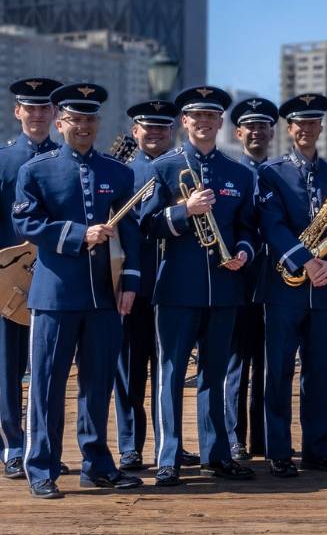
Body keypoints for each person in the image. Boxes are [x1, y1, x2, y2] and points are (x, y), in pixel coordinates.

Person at [14, 82, 142, 498]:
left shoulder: (118, 172)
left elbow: (132, 232)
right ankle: (41, 468)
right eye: (75, 119)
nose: (83, 126)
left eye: (90, 119)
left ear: (98, 123)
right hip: (54, 297)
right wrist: (76, 234)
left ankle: (97, 465)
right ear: (59, 120)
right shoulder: (36, 170)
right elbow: (26, 223)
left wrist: (131, 283)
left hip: (104, 296)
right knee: (47, 386)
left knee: (97, 383)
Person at [139, 85, 257, 487]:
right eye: (196, 116)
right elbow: (147, 225)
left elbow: (247, 227)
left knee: (216, 374)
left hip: (224, 288)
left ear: (220, 122)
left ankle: (216, 454)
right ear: (184, 122)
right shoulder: (162, 168)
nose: (204, 123)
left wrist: (243, 251)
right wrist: (183, 211)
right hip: (176, 287)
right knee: (170, 374)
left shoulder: (239, 172)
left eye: (211, 116)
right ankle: (168, 457)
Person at [257, 93, 327, 477]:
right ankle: (279, 451)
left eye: (313, 123)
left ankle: (318, 449)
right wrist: (306, 260)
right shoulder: (272, 172)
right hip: (285, 287)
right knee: (279, 371)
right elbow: (273, 225)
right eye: (300, 123)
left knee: (321, 372)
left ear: (320, 127)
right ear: (289, 127)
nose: (307, 129)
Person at [114, 98, 191, 473]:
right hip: (136, 286)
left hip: (174, 284)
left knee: (170, 370)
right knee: (130, 369)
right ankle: (130, 446)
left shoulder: (183, 168)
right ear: (135, 131)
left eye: (163, 127)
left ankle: (169, 445)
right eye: (149, 127)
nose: (156, 133)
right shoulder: (123, 174)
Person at [0, 78, 60, 481]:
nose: (38, 114)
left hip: (54, 277)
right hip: (6, 277)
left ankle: (43, 447)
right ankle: (12, 446)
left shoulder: (66, 157)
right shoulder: (2, 159)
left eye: (45, 108)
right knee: (6, 365)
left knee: (47, 367)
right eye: (30, 108)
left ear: (55, 114)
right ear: (17, 112)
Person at [224, 96, 279, 461]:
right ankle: (233, 438)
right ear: (238, 132)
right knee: (235, 364)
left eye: (263, 126)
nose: (257, 132)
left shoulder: (281, 174)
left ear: (272, 133)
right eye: (250, 127)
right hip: (238, 280)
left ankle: (262, 439)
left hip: (275, 280)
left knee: (269, 363)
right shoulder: (230, 173)